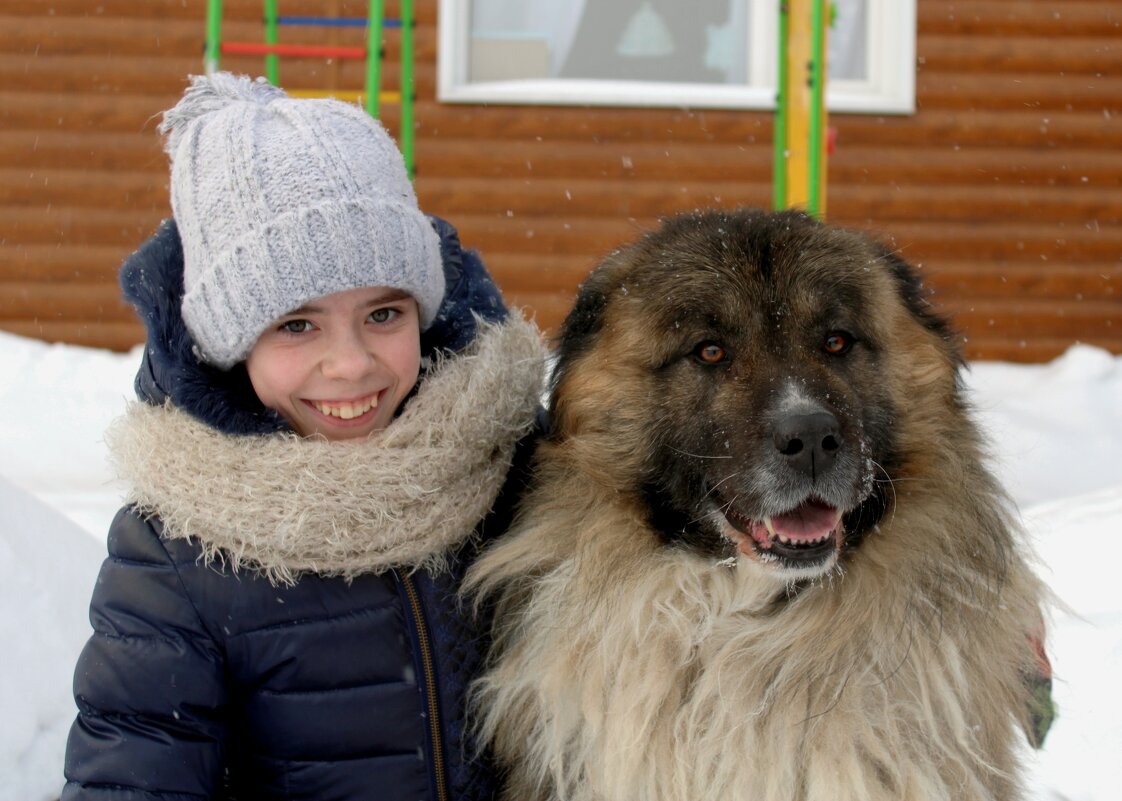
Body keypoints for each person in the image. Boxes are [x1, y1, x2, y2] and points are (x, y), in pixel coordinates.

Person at [61, 72, 547, 800]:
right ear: (232, 344)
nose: (351, 363)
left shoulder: (508, 469)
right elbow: (135, 773)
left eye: (385, 314)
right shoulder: (176, 556)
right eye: (296, 324)